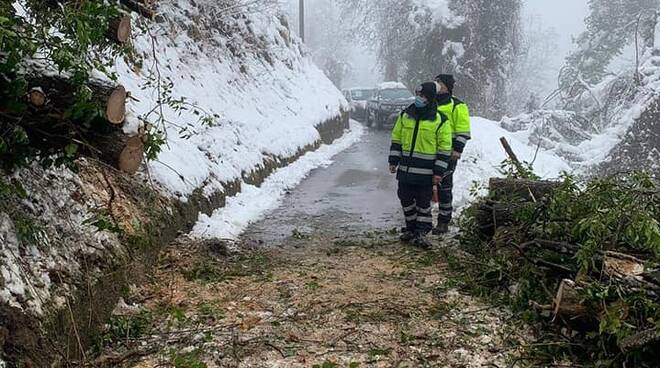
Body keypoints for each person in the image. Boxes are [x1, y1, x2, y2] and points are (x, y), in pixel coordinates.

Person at [389, 82, 453, 248]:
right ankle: (411, 228)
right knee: (405, 199)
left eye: (423, 96)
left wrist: (439, 172)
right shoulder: (406, 115)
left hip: (425, 173)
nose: (419, 98)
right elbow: (396, 139)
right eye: (418, 95)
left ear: (431, 98)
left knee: (423, 203)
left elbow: (444, 149)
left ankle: (422, 232)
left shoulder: (440, 121)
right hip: (406, 170)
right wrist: (393, 161)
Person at [432, 74, 471, 235]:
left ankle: (443, 221)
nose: (437, 84)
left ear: (447, 85)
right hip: (429, 151)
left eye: (439, 82)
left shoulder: (457, 105)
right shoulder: (431, 102)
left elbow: (463, 131)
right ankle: (422, 220)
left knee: (444, 187)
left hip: (448, 154)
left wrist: (457, 149)